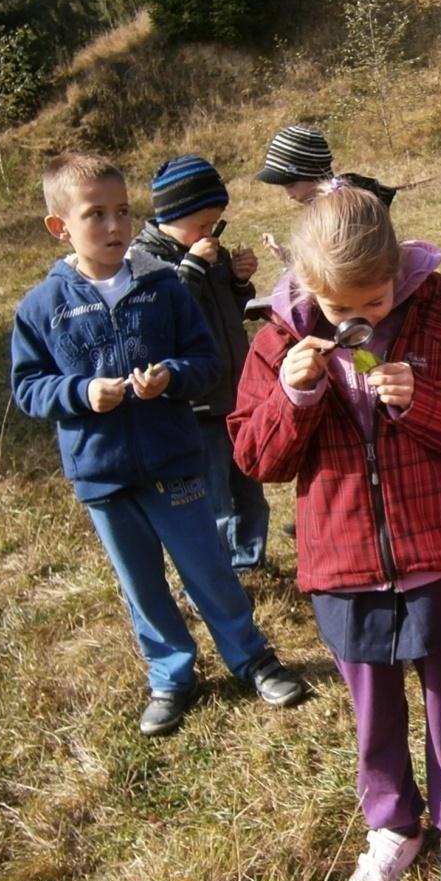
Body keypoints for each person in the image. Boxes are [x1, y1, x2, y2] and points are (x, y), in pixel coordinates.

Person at [228, 187, 441, 881]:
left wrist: (422, 400)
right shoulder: (277, 341)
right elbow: (257, 458)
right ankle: (391, 823)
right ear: (308, 287)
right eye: (343, 308)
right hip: (342, 563)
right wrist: (294, 397)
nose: (359, 320)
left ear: (398, 272)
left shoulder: (436, 324)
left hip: (435, 548)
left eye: (374, 303)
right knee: (371, 708)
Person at [10, 153, 309, 738]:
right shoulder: (41, 307)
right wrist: (79, 392)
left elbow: (205, 361)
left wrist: (170, 375)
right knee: (140, 583)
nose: (115, 226)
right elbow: (28, 388)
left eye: (123, 211)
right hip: (104, 475)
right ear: (60, 226)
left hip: (174, 461)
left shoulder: (164, 288)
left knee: (209, 568)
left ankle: (252, 658)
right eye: (95, 214)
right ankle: (172, 676)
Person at [129, 154, 270, 570]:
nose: (210, 232)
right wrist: (192, 267)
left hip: (235, 392)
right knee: (214, 493)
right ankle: (219, 568)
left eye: (215, 224)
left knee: (248, 484)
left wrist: (240, 280)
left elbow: (230, 307)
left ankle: (250, 559)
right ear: (174, 214)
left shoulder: (209, 252)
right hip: (197, 402)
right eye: (202, 224)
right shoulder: (146, 261)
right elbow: (162, 312)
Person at [254, 124, 397, 266]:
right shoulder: (334, 205)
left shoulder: (341, 215)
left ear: (311, 175)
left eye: (291, 185)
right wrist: (286, 256)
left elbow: (342, 273)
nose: (289, 195)